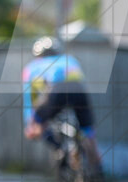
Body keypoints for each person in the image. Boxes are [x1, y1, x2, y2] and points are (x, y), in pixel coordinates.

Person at [22, 36, 103, 172]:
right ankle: (97, 165)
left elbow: (30, 97)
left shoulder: (32, 67)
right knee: (88, 132)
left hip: (56, 93)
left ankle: (59, 148)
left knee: (37, 125)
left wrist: (31, 122)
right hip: (79, 91)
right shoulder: (70, 60)